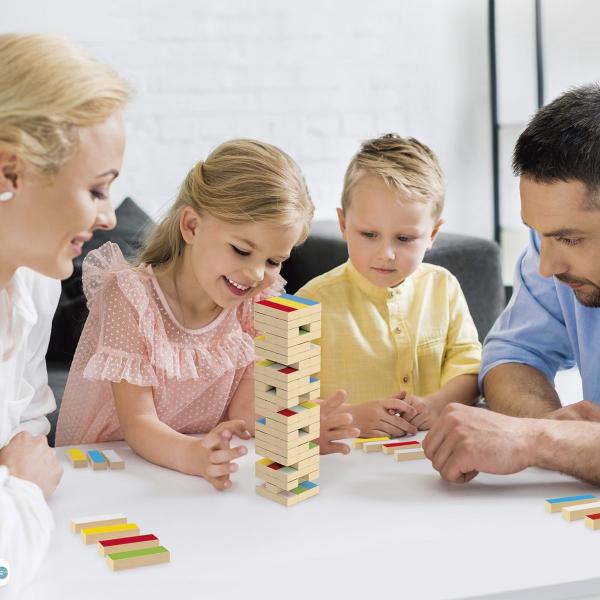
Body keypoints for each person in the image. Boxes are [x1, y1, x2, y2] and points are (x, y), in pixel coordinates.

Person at [56, 139, 358, 490]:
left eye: (274, 261)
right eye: (242, 250)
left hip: (195, 472)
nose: (257, 274)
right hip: (119, 468)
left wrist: (297, 432)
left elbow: (246, 413)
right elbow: (139, 423)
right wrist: (191, 455)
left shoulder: (254, 306)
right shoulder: (130, 297)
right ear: (192, 227)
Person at [0, 33, 129, 593]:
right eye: (98, 190)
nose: (108, 219)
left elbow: (26, 426)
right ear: (10, 173)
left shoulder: (35, 282)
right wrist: (21, 488)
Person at [424, 83, 600, 485]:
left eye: (569, 239)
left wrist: (539, 440)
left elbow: (542, 439)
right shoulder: (555, 259)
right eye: (540, 236)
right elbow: (512, 355)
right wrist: (554, 431)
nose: (546, 266)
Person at [297, 134, 481, 438]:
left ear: (433, 233)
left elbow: (470, 367)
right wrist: (352, 417)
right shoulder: (310, 303)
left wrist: (435, 405)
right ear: (343, 224)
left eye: (405, 239)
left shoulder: (443, 288)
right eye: (369, 234)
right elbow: (282, 407)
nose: (386, 254)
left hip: (429, 458)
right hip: (346, 463)